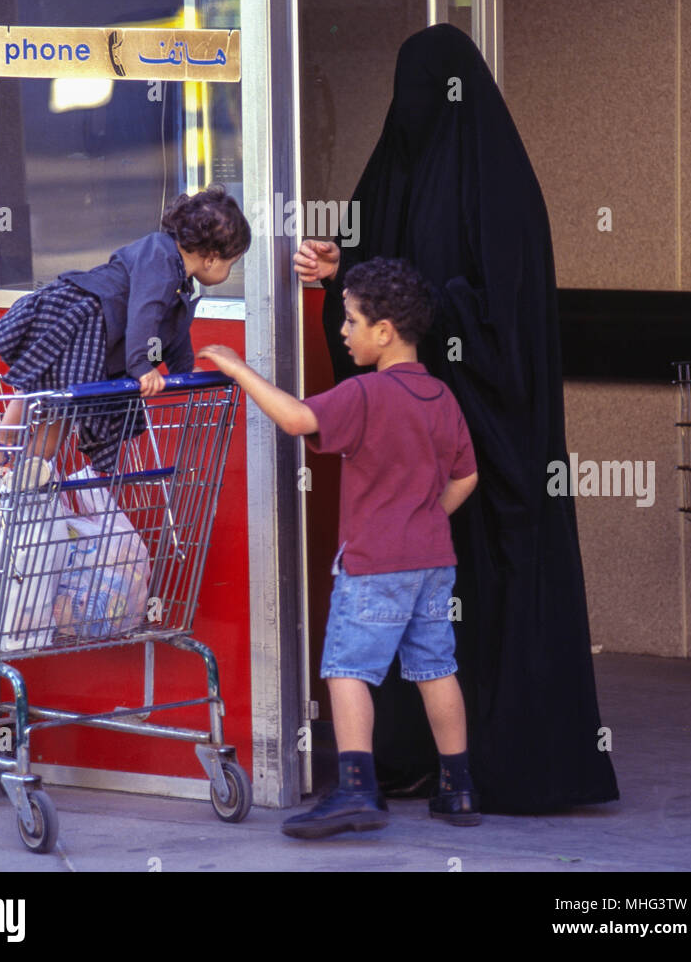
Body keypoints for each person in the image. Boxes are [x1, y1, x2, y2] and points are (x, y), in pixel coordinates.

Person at [294, 23, 619, 815]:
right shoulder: (394, 173)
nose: (412, 107)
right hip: (420, 458)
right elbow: (374, 297)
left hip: (493, 446)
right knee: (427, 628)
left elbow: (503, 321)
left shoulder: (499, 191)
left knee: (466, 598)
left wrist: (426, 312)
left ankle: (505, 764)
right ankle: (424, 766)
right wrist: (341, 271)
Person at [198, 256, 480, 840]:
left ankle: (356, 791)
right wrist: (424, 516)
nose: (344, 332)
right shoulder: (441, 397)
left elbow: (298, 419)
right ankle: (458, 787)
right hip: (432, 563)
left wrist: (237, 367)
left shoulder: (367, 394)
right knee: (436, 668)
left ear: (385, 332)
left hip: (375, 563)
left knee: (347, 669)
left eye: (351, 321)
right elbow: (466, 477)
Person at [0, 185, 250, 474]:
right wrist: (140, 365)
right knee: (38, 389)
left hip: (97, 335)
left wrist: (183, 370)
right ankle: (2, 447)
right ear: (212, 258)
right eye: (231, 264)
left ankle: (26, 476)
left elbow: (172, 329)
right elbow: (144, 312)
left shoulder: (179, 281)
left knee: (61, 411)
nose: (228, 272)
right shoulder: (160, 257)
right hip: (82, 319)